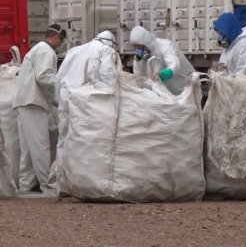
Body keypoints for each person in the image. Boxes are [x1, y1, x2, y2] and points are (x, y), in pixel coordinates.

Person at [54, 30, 117, 185]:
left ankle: (60, 181)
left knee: (63, 138)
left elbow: (58, 77)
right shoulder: (106, 50)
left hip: (65, 96)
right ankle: (82, 181)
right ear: (110, 43)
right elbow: (108, 77)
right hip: (84, 101)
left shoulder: (74, 50)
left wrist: (58, 100)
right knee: (84, 140)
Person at [13, 24, 66, 193]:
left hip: (25, 102)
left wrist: (57, 102)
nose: (61, 44)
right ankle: (47, 184)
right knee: (40, 145)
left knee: (28, 148)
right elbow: (43, 76)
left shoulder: (39, 49)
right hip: (33, 103)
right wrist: (62, 82)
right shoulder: (46, 51)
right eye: (62, 41)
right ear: (57, 37)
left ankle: (25, 184)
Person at [129, 26, 195, 95]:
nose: (139, 50)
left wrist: (169, 71)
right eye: (135, 47)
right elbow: (139, 76)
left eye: (140, 46)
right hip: (169, 93)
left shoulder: (164, 45)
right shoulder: (140, 54)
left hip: (187, 87)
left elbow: (174, 63)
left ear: (146, 42)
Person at [214, 12, 246, 79]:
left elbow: (243, 75)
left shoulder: (245, 45)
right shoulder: (229, 45)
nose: (218, 36)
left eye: (220, 32)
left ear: (228, 32)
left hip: (242, 88)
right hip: (229, 86)